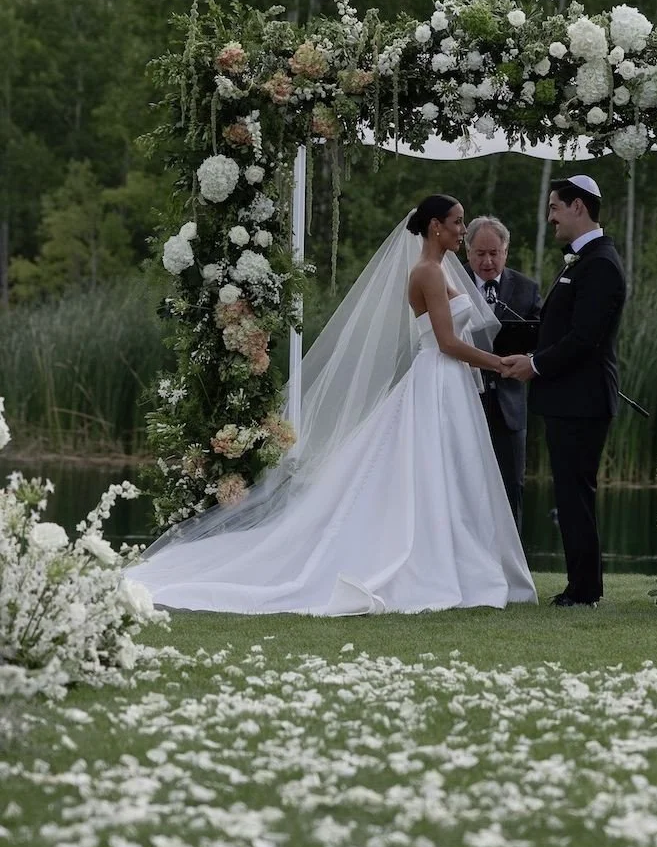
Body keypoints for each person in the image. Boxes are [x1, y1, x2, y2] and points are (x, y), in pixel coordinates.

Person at [127, 194, 538, 616]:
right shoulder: (427, 272)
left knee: (452, 471)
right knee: (431, 469)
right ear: (436, 226)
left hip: (449, 383)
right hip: (438, 375)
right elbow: (448, 342)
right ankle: (432, 560)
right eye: (457, 222)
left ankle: (459, 558)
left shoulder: (439, 269)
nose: (461, 230)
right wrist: (500, 364)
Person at [502, 175, 626, 608]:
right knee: (569, 495)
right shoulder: (583, 259)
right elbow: (560, 328)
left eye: (555, 207)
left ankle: (584, 589)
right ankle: (581, 585)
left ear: (578, 207)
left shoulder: (601, 264)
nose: (550, 216)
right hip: (569, 399)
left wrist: (533, 364)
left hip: (583, 400)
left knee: (575, 495)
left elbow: (584, 338)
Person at [465, 215, 541, 531]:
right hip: (464, 402)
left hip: (509, 408)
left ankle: (512, 569)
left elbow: (543, 340)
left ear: (505, 251)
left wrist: (530, 361)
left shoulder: (525, 289)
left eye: (494, 253)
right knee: (465, 488)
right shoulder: (452, 284)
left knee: (511, 488)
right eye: (480, 253)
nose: (487, 261)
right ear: (467, 252)